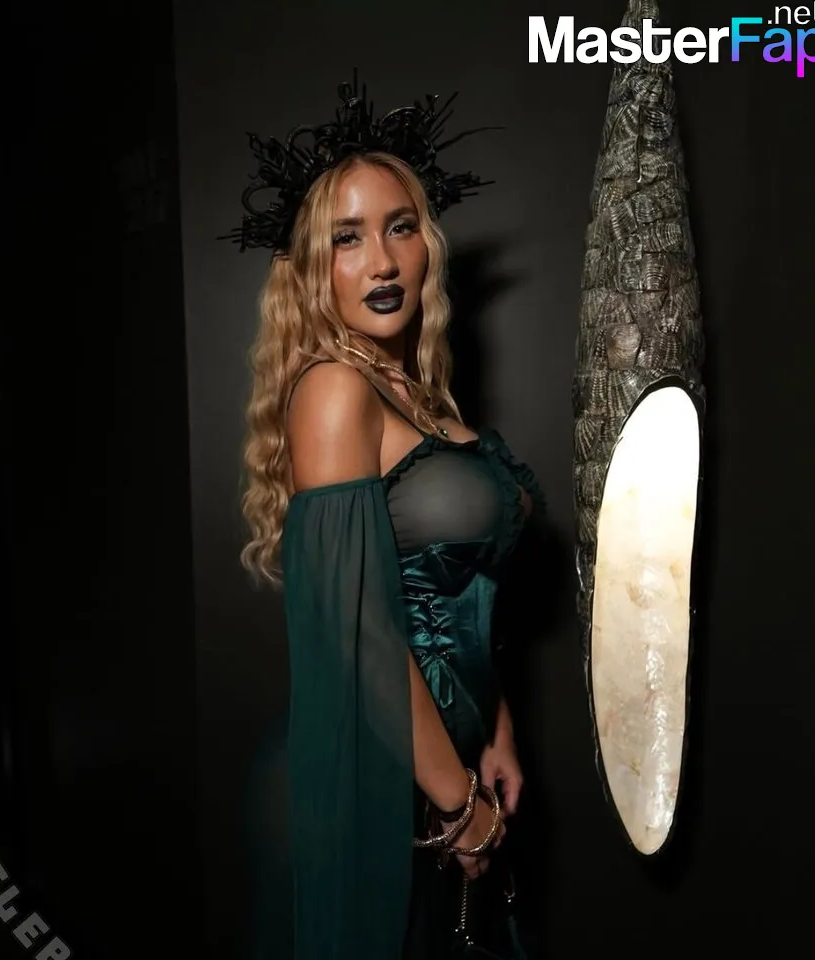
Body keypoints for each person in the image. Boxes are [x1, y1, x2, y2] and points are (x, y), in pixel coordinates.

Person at [221, 76, 546, 960]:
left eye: (400, 227)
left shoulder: (419, 396)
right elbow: (358, 629)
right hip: (380, 781)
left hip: (449, 766)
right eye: (348, 237)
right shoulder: (333, 390)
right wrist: (459, 806)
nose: (383, 262)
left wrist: (497, 728)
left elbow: (468, 590)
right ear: (312, 266)